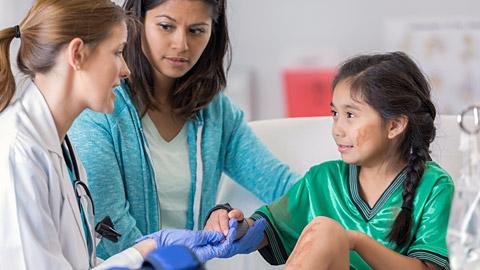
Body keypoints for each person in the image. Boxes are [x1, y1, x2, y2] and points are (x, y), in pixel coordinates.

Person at [0, 0, 249, 269]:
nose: (126, 69)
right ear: (78, 54)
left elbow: (84, 264)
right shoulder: (19, 153)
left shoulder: (61, 149)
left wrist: (151, 246)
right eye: (117, 52)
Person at [68, 0, 300, 259]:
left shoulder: (216, 113)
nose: (181, 44)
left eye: (197, 30)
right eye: (166, 26)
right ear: (136, 21)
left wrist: (348, 199)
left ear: (213, 32)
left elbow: (284, 186)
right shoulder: (100, 106)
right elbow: (111, 228)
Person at [207, 52, 454, 269]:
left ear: (394, 125)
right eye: (335, 114)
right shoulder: (322, 180)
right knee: (325, 230)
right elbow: (264, 230)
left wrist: (356, 242)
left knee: (326, 230)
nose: (337, 128)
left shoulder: (434, 186)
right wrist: (231, 223)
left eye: (350, 115)